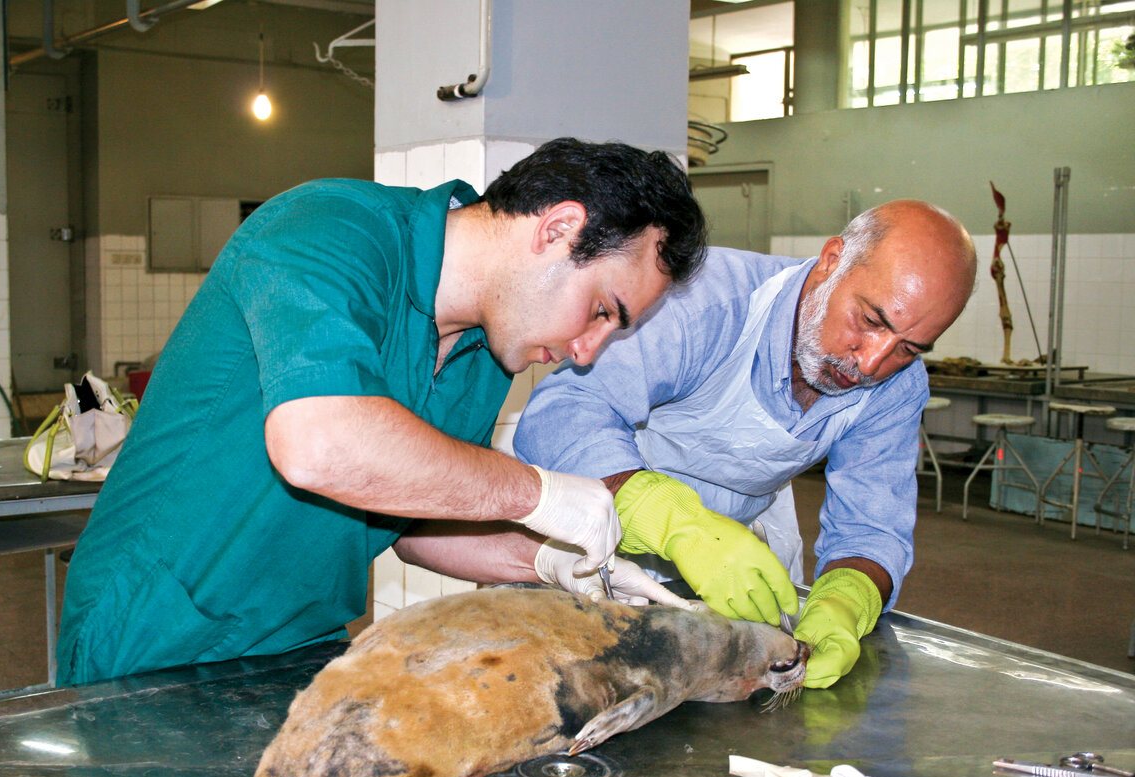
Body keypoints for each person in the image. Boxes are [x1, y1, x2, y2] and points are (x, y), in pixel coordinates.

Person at [56, 137, 707, 685]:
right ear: (558, 228)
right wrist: (537, 492)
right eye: (600, 310)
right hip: (152, 641)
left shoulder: (486, 355)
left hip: (299, 651)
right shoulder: (328, 229)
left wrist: (544, 558)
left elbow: (414, 520)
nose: (586, 352)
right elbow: (318, 443)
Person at [513, 199, 977, 689]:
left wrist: (848, 597)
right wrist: (673, 523)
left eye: (908, 348)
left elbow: (872, 526)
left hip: (731, 563)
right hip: (586, 545)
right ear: (832, 260)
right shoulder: (699, 299)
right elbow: (561, 413)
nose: (872, 363)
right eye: (870, 321)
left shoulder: (896, 386)